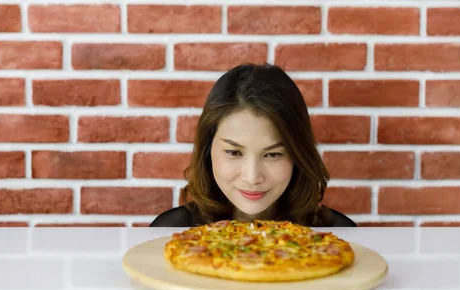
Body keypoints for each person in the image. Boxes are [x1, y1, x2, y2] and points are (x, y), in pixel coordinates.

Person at [150, 63, 356, 228]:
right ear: (207, 150)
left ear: (298, 155)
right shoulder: (169, 232)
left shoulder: (340, 235)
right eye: (234, 152)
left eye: (273, 155)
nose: (252, 177)